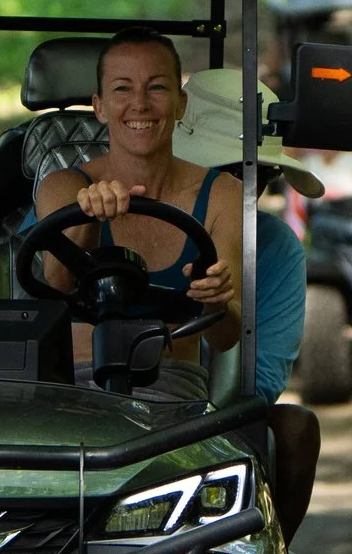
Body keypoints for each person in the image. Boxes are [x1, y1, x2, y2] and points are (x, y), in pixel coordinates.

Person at [31, 28, 240, 403]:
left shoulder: (223, 193)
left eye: (157, 88)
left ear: (181, 104)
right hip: (73, 391)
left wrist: (215, 298)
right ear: (99, 106)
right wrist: (89, 218)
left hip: (174, 394)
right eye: (122, 89)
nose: (140, 104)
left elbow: (226, 338)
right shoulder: (62, 187)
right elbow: (58, 284)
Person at [169, 68, 326, 542]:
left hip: (201, 412)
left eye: (260, 175)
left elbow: (259, 385)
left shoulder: (275, 248)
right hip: (90, 402)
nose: (245, 191)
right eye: (231, 174)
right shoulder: (103, 199)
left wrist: (217, 312)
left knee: (295, 429)